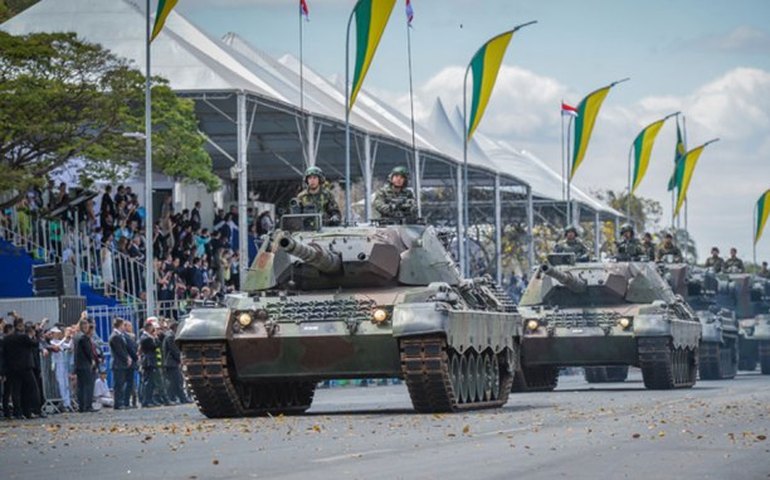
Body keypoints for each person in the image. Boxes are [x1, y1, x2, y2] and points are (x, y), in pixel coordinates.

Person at [3, 317, 41, 419]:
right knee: (31, 388)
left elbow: (4, 354)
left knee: (16, 390)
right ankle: (33, 410)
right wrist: (36, 334)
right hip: (26, 366)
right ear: (20, 325)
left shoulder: (7, 339)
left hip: (13, 368)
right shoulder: (24, 337)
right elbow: (35, 344)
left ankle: (18, 412)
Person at [74, 318, 96, 413]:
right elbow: (88, 351)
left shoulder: (76, 336)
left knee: (80, 386)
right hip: (85, 364)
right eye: (86, 326)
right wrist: (92, 360)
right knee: (88, 385)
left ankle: (81, 406)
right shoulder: (84, 337)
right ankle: (88, 405)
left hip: (78, 364)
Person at [162, 322, 188, 404]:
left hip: (172, 362)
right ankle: (182, 398)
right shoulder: (170, 336)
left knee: (174, 382)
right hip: (171, 362)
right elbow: (174, 350)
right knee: (177, 381)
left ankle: (173, 397)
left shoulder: (170, 335)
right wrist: (180, 359)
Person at [49, 326, 74, 412]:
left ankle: (67, 403)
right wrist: (65, 337)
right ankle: (63, 402)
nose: (57, 334)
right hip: (57, 364)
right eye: (56, 333)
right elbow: (56, 347)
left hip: (63, 364)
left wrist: (71, 338)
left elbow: (68, 346)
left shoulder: (60, 341)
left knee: (66, 384)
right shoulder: (51, 341)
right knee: (61, 384)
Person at [109, 318, 131, 409]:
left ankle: (120, 402)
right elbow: (119, 351)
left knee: (121, 383)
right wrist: (126, 358)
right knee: (118, 384)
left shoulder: (119, 335)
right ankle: (118, 403)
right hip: (118, 363)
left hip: (121, 363)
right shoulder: (115, 336)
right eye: (122, 325)